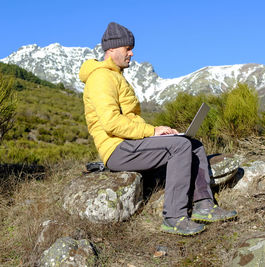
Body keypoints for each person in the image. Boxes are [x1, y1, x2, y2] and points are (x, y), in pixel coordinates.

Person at [79, 22, 237, 235]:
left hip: (130, 143)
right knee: (180, 147)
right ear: (112, 50)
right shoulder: (101, 77)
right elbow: (111, 122)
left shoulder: (115, 76)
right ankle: (174, 218)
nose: (132, 53)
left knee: (193, 144)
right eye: (127, 48)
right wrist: (151, 133)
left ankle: (204, 205)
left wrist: (157, 129)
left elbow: (130, 120)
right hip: (116, 149)